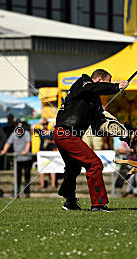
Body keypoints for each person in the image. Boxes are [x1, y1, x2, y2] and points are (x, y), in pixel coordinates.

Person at [53, 68, 128, 212]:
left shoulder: (94, 101)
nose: (107, 86)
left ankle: (70, 202)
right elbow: (92, 87)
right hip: (66, 133)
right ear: (99, 80)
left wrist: (114, 128)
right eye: (107, 82)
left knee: (73, 168)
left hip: (64, 135)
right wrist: (116, 86)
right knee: (94, 164)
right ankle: (98, 204)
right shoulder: (83, 82)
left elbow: (96, 126)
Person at [1, 123, 32, 198]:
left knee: (27, 176)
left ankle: (27, 193)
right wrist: (4, 150)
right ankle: (17, 192)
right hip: (17, 159)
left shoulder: (27, 134)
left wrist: (26, 151)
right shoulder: (13, 134)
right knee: (18, 177)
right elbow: (8, 143)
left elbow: (28, 143)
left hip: (27, 159)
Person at [37, 118, 57, 189]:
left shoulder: (51, 132)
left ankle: (53, 185)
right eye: (43, 124)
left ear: (48, 124)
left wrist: (49, 141)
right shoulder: (41, 132)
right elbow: (33, 128)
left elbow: (56, 141)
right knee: (42, 169)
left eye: (46, 124)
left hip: (50, 152)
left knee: (53, 169)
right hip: (43, 152)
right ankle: (42, 184)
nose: (45, 125)